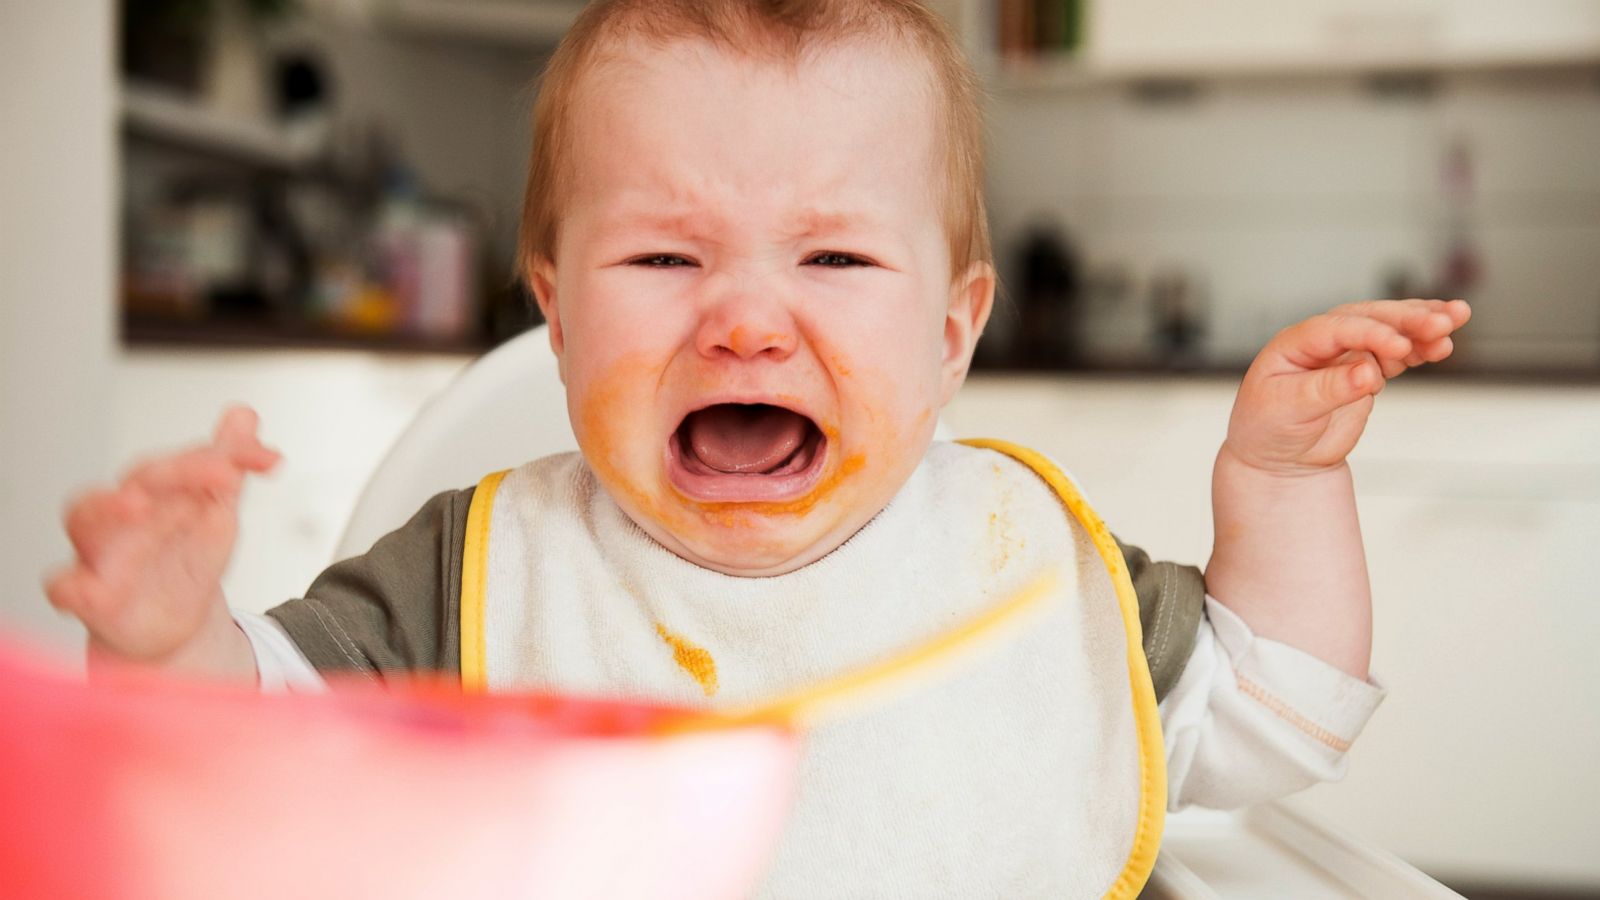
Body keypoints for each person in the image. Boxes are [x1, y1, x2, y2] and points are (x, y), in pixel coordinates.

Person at [45, 0, 1471, 895]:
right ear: (555, 314)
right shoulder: (477, 572)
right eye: (665, 255)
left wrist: (1282, 485)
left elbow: (1275, 719)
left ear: (955, 331)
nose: (743, 320)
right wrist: (173, 640)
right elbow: (267, 746)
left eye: (837, 258)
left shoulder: (1018, 569)